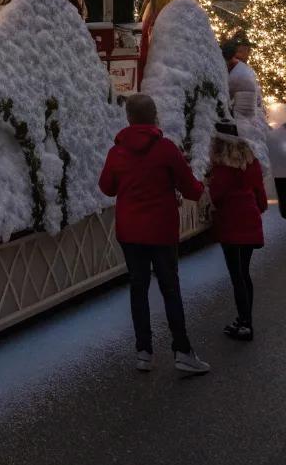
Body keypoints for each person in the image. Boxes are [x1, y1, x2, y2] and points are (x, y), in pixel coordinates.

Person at [98, 93, 209, 374]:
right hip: (161, 231)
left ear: (129, 118)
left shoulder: (117, 151)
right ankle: (182, 350)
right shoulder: (166, 150)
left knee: (138, 288)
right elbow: (191, 189)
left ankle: (143, 352)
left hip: (130, 231)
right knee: (170, 288)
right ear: (155, 115)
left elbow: (107, 187)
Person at [207, 120, 267, 340]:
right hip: (249, 220)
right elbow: (259, 192)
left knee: (237, 275)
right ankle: (245, 319)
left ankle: (245, 323)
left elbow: (217, 195)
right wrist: (257, 209)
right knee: (245, 273)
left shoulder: (222, 168)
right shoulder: (250, 161)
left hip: (231, 225)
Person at [222, 36, 263, 128]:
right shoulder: (246, 71)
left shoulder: (241, 71)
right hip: (249, 122)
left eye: (247, 50)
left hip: (241, 123)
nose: (246, 54)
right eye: (240, 51)